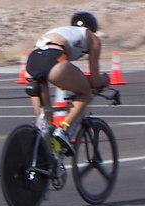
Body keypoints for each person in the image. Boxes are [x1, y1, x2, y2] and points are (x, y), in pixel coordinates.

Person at [26, 11, 109, 156]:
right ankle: (63, 130)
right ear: (92, 28)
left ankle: (44, 160)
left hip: (33, 61)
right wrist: (105, 80)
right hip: (54, 59)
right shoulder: (92, 37)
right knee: (85, 93)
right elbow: (95, 81)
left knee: (45, 122)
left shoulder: (63, 31)